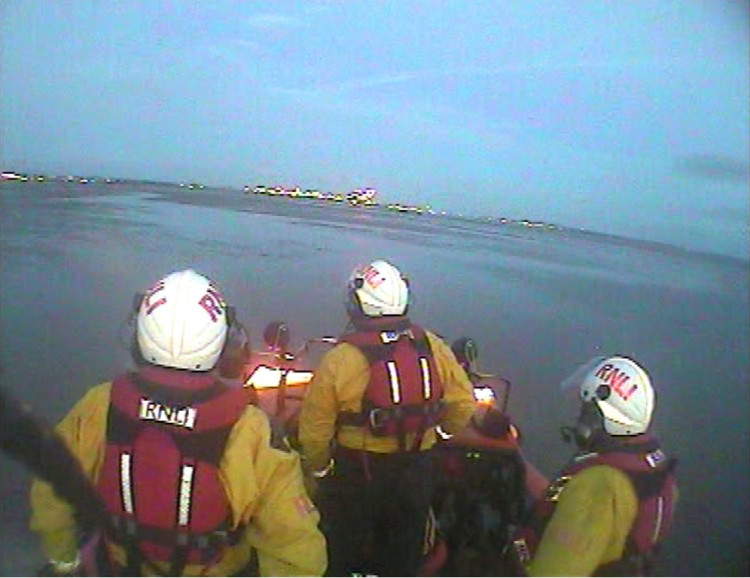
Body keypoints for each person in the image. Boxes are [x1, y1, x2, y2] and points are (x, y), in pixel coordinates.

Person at [29, 269, 327, 576]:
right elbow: (295, 546)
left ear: (139, 336)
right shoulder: (250, 429)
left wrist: (64, 560)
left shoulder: (99, 405)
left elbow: (51, 491)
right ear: (223, 346)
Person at [297, 259, 477, 576]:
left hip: (358, 470)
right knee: (404, 550)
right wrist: (440, 437)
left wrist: (321, 470)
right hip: (418, 467)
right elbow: (463, 404)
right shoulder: (433, 346)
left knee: (339, 548)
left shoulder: (340, 359)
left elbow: (314, 432)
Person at [507, 355, 679, 576]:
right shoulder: (652, 469)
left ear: (595, 417)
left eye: (584, 408)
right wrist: (517, 458)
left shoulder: (597, 486)